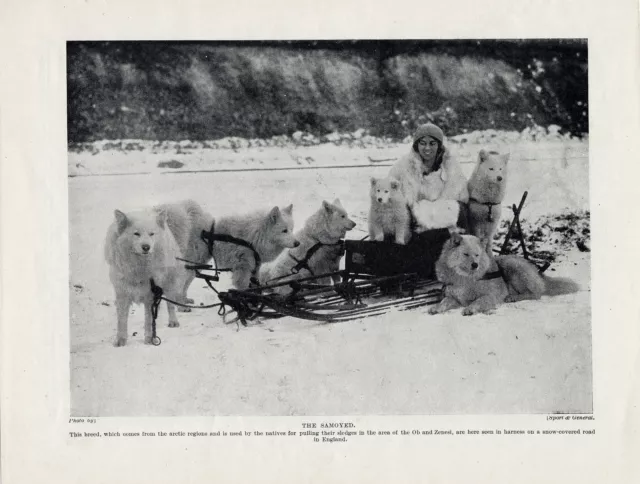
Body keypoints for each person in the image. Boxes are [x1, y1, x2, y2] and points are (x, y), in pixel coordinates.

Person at [389, 123, 468, 208]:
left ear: (439, 146)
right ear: (417, 145)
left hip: (445, 217)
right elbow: (387, 193)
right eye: (423, 143)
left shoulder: (452, 168)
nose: (427, 148)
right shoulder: (403, 167)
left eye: (432, 143)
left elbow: (463, 199)